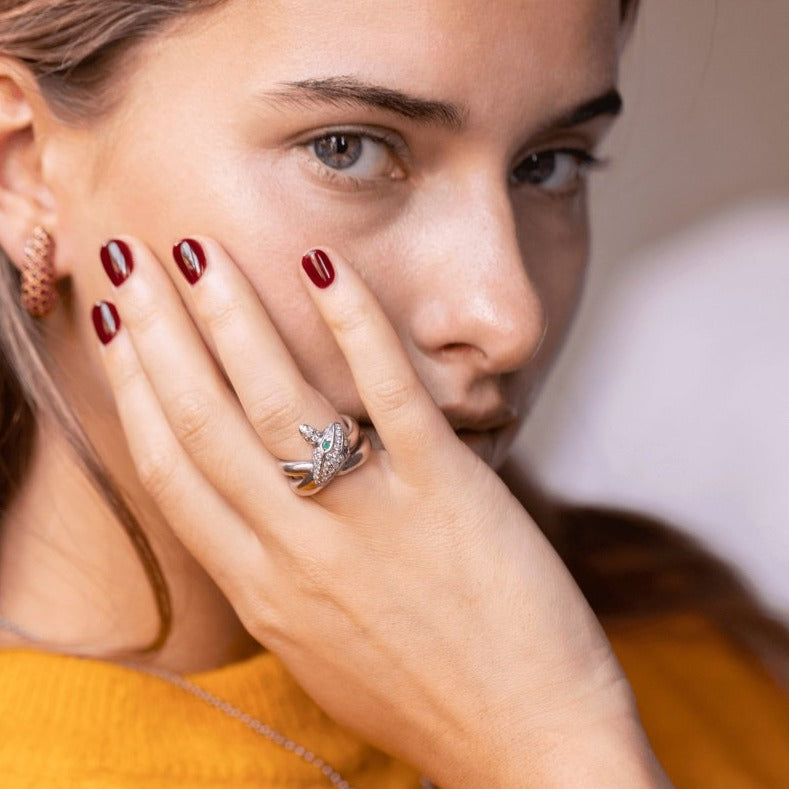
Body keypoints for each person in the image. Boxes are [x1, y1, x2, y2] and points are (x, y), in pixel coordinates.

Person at [0, 1, 785, 786]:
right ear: (25, 166)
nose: (508, 318)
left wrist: (553, 741)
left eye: (549, 164)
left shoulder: (711, 676)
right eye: (349, 150)